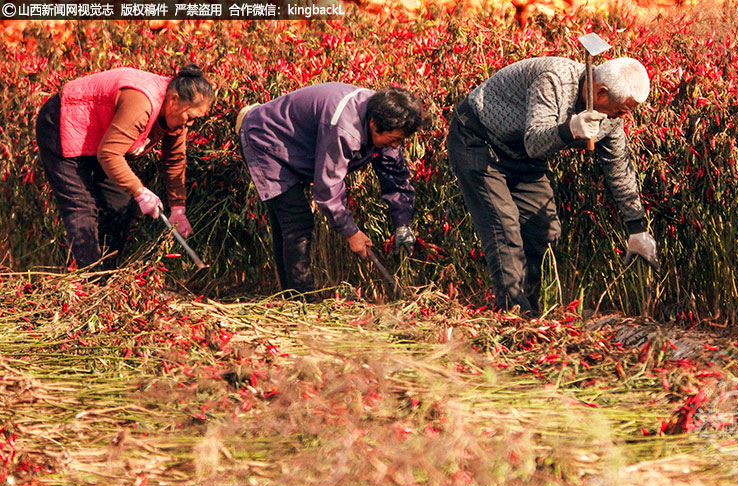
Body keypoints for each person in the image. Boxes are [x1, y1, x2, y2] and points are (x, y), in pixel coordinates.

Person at [447, 56, 658, 316]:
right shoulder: (553, 81)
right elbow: (535, 143)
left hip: (519, 155)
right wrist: (570, 130)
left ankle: (531, 311)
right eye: (623, 109)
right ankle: (514, 317)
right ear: (601, 92)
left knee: (544, 231)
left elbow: (618, 166)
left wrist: (636, 228)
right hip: (478, 140)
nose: (625, 116)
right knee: (504, 229)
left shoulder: (611, 116)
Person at [237, 84, 428, 295]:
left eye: (399, 141)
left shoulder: (387, 118)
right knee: (296, 221)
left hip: (298, 146)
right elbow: (328, 187)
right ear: (374, 124)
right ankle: (301, 298)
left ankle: (291, 295)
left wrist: (402, 224)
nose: (395, 146)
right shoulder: (344, 127)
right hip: (267, 140)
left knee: (289, 223)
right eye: (393, 140)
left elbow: (395, 176)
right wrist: (351, 232)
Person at [36, 64, 214, 270]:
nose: (190, 124)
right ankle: (90, 283)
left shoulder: (176, 117)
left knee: (120, 205)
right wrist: (140, 191)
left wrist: (178, 207)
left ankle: (107, 274)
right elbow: (110, 153)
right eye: (190, 117)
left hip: (101, 141)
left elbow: (174, 159)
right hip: (64, 123)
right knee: (82, 208)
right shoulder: (142, 103)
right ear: (174, 99)